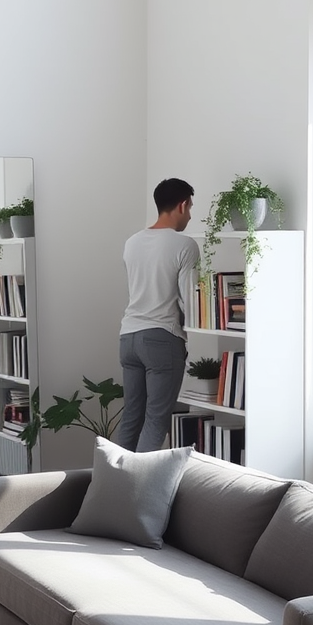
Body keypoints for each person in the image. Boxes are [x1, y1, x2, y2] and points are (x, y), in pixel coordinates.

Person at [116, 177, 199, 452]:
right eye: (190, 208)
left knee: (132, 416)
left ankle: (116, 486)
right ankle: (140, 491)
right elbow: (189, 302)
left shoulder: (132, 242)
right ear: (182, 204)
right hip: (162, 339)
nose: (189, 216)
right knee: (155, 421)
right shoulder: (184, 245)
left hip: (128, 337)